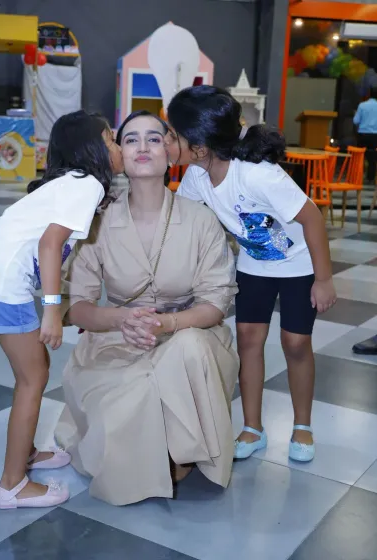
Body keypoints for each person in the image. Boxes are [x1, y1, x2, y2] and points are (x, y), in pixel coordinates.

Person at [54, 110, 239, 506]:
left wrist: (166, 323)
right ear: (118, 154)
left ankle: (181, 450)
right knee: (125, 402)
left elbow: (215, 303)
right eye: (130, 139)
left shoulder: (201, 220)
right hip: (117, 340)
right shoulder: (97, 222)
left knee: (189, 346)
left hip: (191, 333)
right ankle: (158, 452)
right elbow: (77, 306)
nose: (142, 146)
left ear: (170, 152)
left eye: (154, 138)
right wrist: (122, 319)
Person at [166, 85, 337, 463]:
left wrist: (323, 278)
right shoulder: (196, 177)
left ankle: (302, 426)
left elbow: (312, 218)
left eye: (172, 135)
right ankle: (253, 427)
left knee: (296, 343)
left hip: (299, 266)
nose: (166, 142)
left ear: (200, 147)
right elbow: (182, 224)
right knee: (247, 339)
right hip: (254, 265)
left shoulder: (259, 176)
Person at [0, 110, 123, 509]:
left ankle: (27, 454)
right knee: (32, 379)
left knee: (35, 371)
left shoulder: (73, 182)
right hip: (3, 282)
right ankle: (12, 485)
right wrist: (52, 311)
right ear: (91, 150)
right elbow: (50, 245)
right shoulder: (87, 184)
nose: (118, 147)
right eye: (111, 140)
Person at [354, 86, 377, 184]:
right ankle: (370, 178)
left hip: (362, 135)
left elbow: (356, 121)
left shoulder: (362, 105)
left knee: (360, 156)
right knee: (372, 158)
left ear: (369, 94)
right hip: (375, 136)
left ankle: (357, 176)